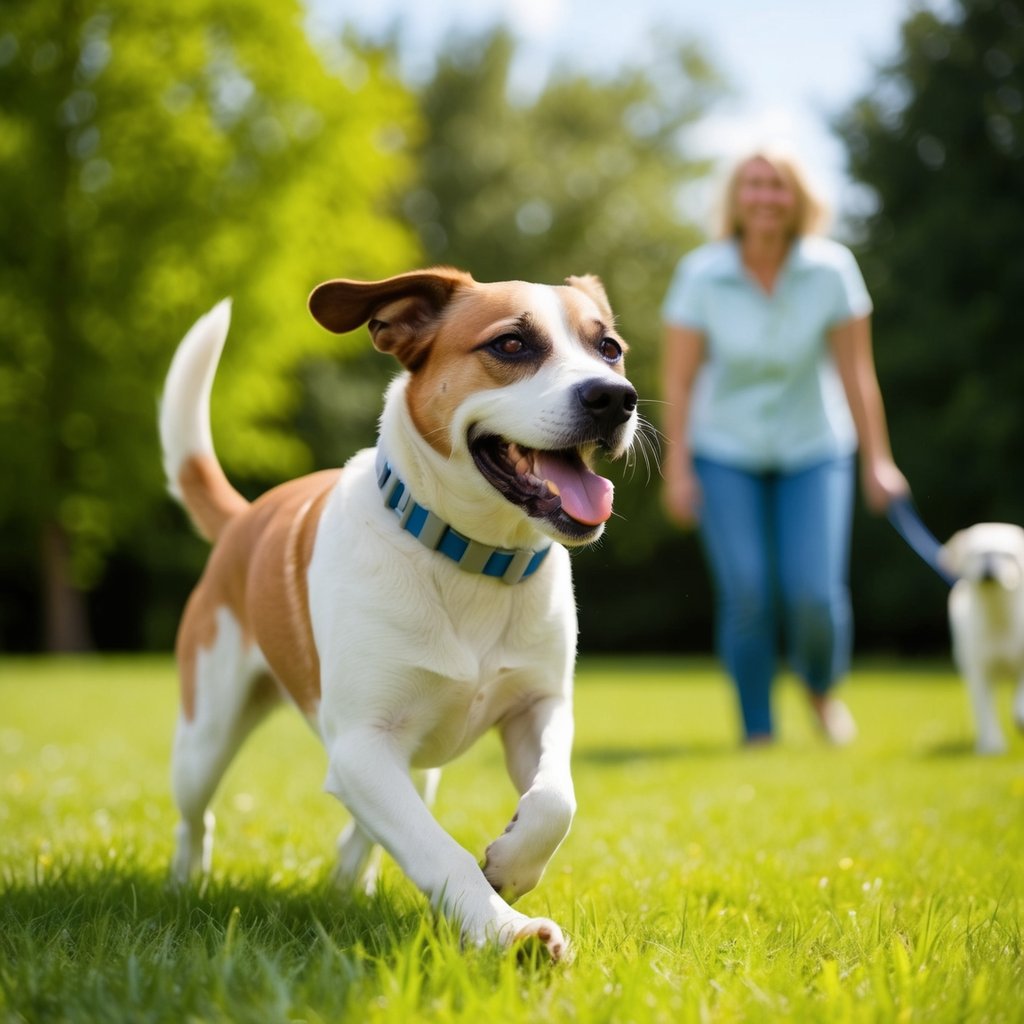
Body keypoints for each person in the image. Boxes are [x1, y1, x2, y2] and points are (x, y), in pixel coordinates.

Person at [660, 145, 909, 746]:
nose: (765, 197)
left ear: (798, 198)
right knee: (746, 592)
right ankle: (758, 730)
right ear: (736, 199)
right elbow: (678, 379)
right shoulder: (701, 273)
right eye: (753, 185)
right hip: (724, 450)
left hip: (814, 447)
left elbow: (856, 374)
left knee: (814, 595)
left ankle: (821, 690)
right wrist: (679, 466)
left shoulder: (832, 268)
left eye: (777, 186)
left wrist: (879, 460)